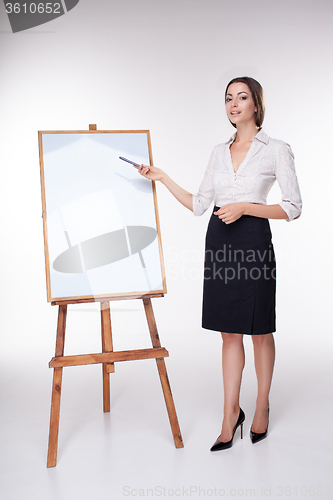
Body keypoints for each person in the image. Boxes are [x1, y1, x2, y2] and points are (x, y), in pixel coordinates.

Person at [137, 76, 302, 451]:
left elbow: (293, 207)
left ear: (256, 104)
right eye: (228, 98)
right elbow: (200, 205)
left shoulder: (276, 149)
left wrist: (246, 207)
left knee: (259, 328)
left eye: (241, 97)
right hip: (220, 243)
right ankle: (230, 413)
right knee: (229, 332)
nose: (233, 104)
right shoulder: (217, 151)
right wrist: (162, 177)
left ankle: (261, 404)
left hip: (254, 242)